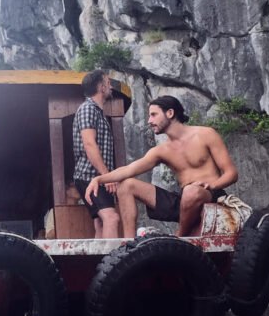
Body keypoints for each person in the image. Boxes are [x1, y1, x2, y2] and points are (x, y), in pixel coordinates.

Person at [85, 95, 238, 237]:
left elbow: (231, 173)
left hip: (209, 195)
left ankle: (180, 237)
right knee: (126, 185)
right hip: (183, 201)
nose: (149, 121)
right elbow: (129, 170)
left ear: (170, 113)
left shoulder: (205, 134)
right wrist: (99, 179)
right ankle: (129, 244)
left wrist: (211, 185)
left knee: (191, 192)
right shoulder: (161, 151)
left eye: (153, 114)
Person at [73, 70, 121, 238]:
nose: (111, 87)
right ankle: (114, 264)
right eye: (108, 83)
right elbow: (89, 143)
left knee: (100, 223)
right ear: (101, 87)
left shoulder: (97, 112)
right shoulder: (88, 109)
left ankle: (101, 263)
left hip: (96, 177)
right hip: (89, 176)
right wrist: (106, 176)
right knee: (111, 218)